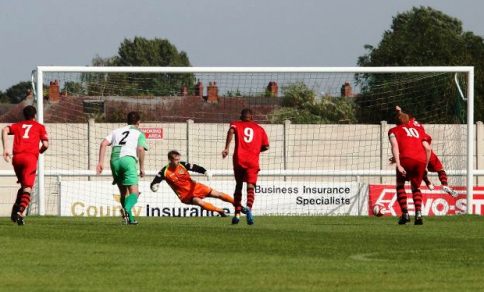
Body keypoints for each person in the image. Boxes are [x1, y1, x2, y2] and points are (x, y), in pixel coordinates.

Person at [394, 106, 458, 197]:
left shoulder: (406, 125)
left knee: (419, 170)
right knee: (440, 169)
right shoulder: (418, 125)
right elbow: (427, 147)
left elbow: (401, 120)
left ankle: (428, 182)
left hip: (416, 151)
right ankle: (444, 184)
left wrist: (399, 112)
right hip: (427, 150)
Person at [96, 111, 147, 225]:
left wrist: (100, 162)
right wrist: (142, 168)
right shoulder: (139, 133)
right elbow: (140, 149)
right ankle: (127, 209)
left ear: (127, 121)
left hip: (114, 160)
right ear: (139, 122)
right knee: (135, 193)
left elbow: (103, 143)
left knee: (123, 193)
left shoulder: (116, 131)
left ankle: (129, 219)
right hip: (128, 160)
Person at [2, 105, 49, 225]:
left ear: (24, 115)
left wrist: (5, 149)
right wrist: (39, 152)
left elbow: (4, 130)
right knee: (28, 188)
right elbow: (46, 144)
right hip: (30, 158)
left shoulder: (18, 125)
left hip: (17, 158)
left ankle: (16, 209)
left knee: (23, 187)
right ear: (35, 115)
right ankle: (20, 212)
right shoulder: (39, 127)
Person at [150, 150, 234, 217]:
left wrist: (205, 171)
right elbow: (155, 182)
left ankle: (237, 204)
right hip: (185, 195)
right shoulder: (164, 172)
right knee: (199, 202)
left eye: (178, 159)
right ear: (170, 160)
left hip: (195, 187)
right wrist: (154, 186)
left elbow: (195, 168)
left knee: (218, 194)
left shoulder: (182, 165)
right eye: (176, 160)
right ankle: (220, 210)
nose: (178, 162)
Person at [222, 108, 269, 225]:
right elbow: (266, 146)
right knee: (250, 186)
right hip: (253, 160)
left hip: (239, 159)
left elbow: (231, 131)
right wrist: (255, 150)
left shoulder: (236, 124)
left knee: (238, 185)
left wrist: (227, 148)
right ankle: (249, 209)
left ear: (241, 116)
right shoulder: (260, 128)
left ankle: (237, 213)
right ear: (252, 117)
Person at [388, 110, 432, 225]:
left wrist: (398, 164)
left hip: (405, 159)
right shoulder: (419, 130)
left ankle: (405, 214)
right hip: (420, 161)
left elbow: (395, 147)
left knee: (400, 185)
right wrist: (426, 166)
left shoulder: (393, 130)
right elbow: (428, 148)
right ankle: (418, 214)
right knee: (416, 187)